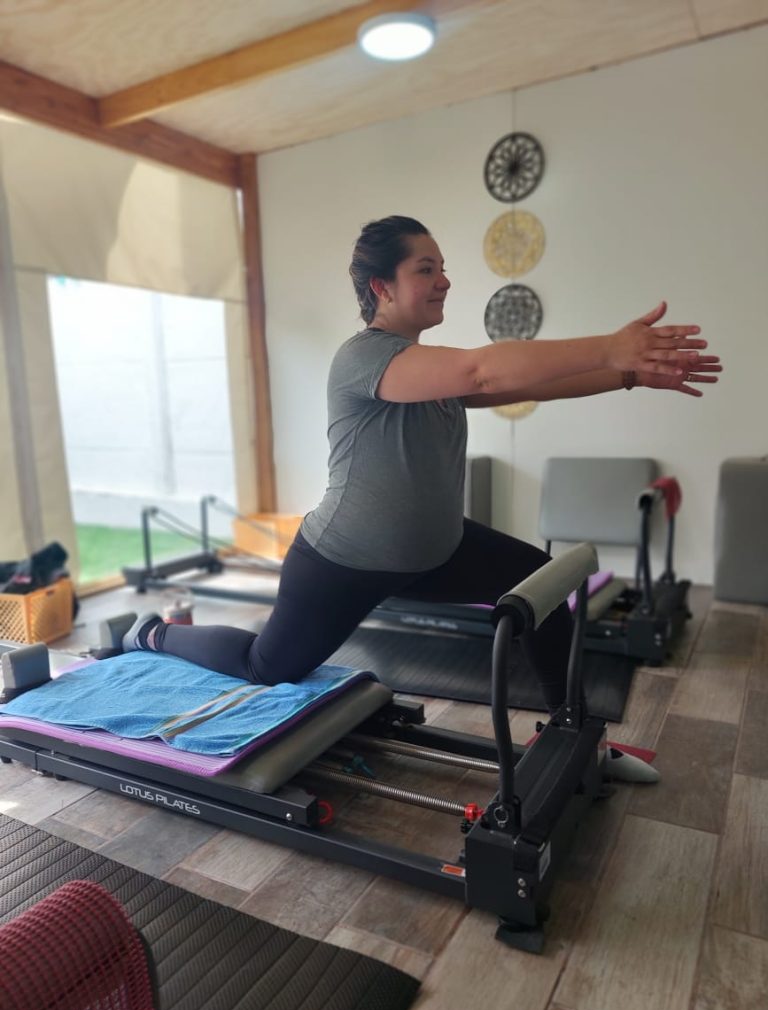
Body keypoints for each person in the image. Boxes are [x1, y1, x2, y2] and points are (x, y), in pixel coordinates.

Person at [124, 215, 722, 781]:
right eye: (426, 269)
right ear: (381, 287)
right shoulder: (362, 357)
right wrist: (610, 347)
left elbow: (532, 383)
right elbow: (482, 371)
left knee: (540, 588)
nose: (445, 281)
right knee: (269, 667)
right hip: (342, 561)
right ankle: (155, 634)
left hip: (435, 553)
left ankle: (576, 736)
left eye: (443, 268)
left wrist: (628, 375)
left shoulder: (429, 368)